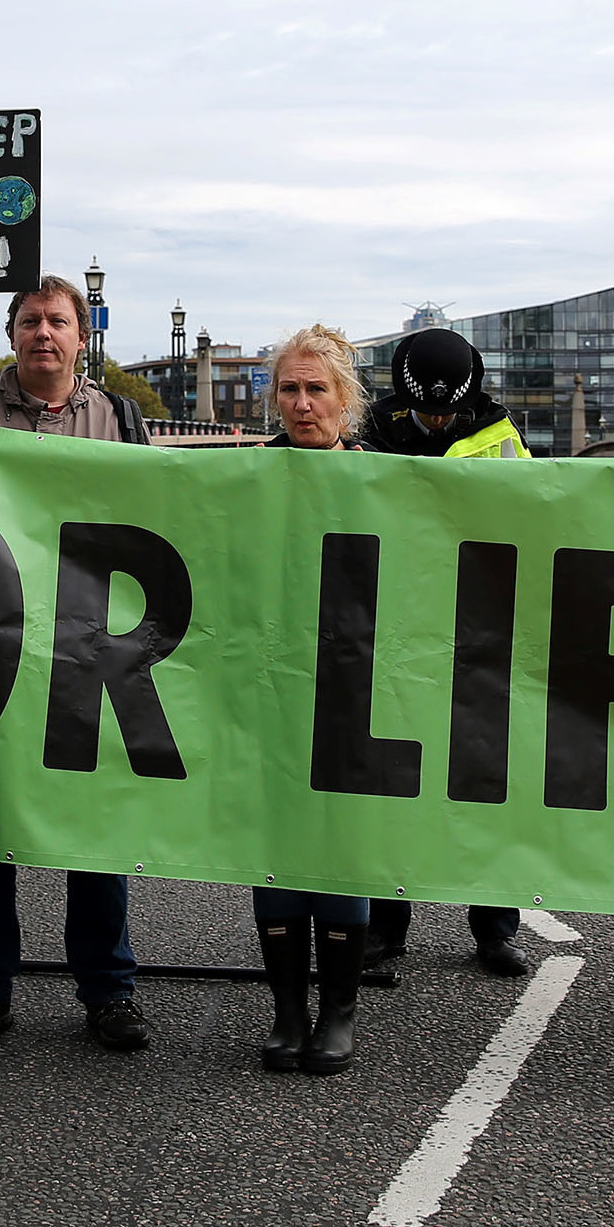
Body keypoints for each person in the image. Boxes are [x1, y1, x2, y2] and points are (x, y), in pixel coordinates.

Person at [0, 276, 153, 1055]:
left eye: (59, 321)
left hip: (92, 648)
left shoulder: (120, 417)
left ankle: (108, 992)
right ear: (12, 333)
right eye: (30, 321)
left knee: (94, 826)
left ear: (82, 335)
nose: (44, 334)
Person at [355, 326, 531, 978]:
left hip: (476, 630)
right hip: (392, 627)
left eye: (446, 411)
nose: (436, 420)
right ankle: (382, 928)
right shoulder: (369, 430)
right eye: (425, 411)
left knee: (485, 782)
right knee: (388, 780)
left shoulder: (500, 436)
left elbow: (536, 523)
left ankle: (496, 928)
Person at [253, 326, 372, 1074]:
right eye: (290, 390)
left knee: (344, 850)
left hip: (355, 692)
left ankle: (339, 1012)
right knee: (273, 852)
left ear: (344, 402)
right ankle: (287, 1012)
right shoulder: (241, 477)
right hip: (266, 690)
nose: (302, 404)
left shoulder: (382, 478)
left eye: (316, 389)